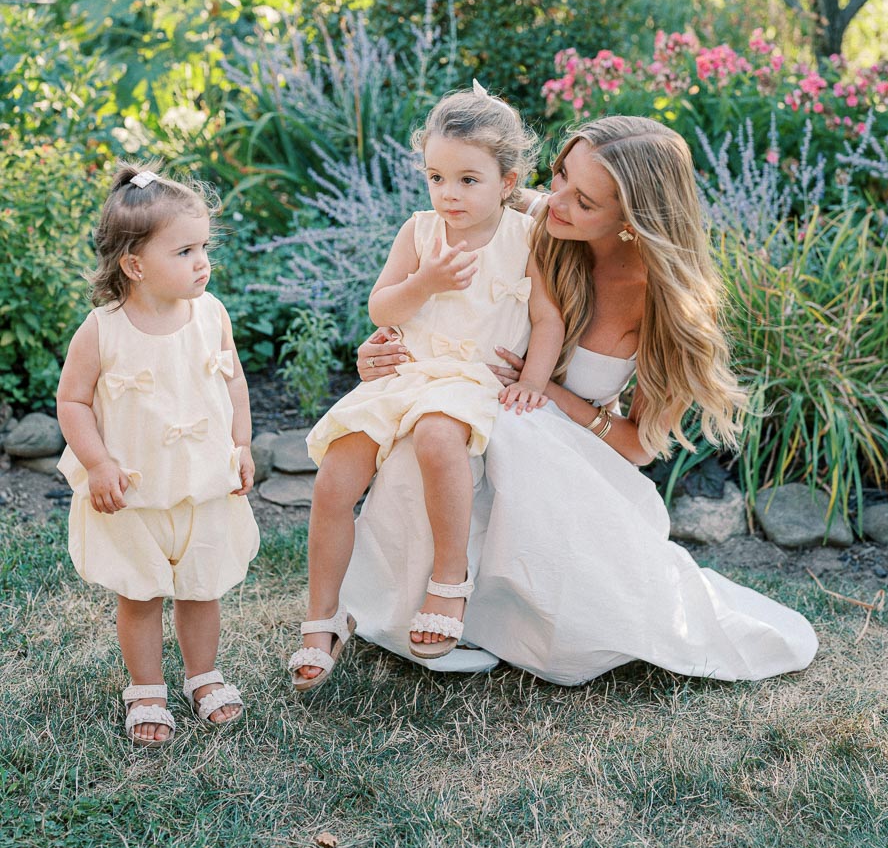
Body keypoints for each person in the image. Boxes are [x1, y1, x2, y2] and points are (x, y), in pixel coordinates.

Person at [344, 115, 818, 684]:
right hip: (467, 416)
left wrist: (549, 394)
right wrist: (380, 355)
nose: (555, 201)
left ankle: (494, 609)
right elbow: (429, 306)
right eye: (560, 175)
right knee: (440, 428)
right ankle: (435, 600)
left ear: (631, 221)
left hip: (570, 461)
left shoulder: (662, 301)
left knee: (491, 429)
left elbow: (641, 447)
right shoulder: (523, 219)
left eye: (584, 201)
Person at [289, 86, 565, 691]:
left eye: (469, 180)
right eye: (437, 177)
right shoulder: (419, 233)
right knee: (338, 470)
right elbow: (381, 304)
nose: (449, 194)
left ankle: (449, 581)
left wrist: (534, 382)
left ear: (507, 180)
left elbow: (548, 320)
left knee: (439, 438)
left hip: (469, 377)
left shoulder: (527, 237)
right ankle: (322, 617)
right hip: (407, 372)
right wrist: (426, 281)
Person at [56, 165, 259, 746]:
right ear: (135, 265)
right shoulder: (103, 330)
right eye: (185, 251)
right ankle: (146, 686)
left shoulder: (211, 315)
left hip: (202, 483)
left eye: (204, 247)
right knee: (140, 592)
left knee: (202, 587)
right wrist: (98, 463)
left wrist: (240, 445)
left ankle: (203, 674)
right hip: (135, 491)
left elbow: (235, 384)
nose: (203, 262)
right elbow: (72, 401)